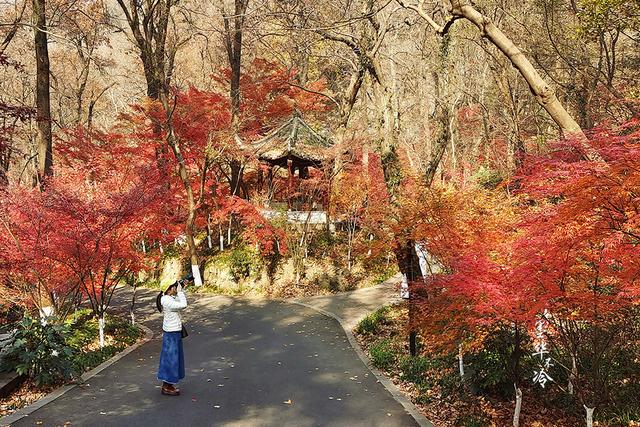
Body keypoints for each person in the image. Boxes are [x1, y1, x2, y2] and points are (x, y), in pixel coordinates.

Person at [156, 275, 193, 396]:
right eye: (174, 286)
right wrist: (181, 291)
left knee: (173, 358)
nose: (176, 288)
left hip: (174, 332)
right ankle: (166, 386)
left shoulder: (168, 297)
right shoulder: (166, 300)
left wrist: (182, 288)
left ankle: (169, 384)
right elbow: (183, 305)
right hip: (171, 333)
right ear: (169, 288)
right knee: (171, 358)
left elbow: (178, 300)